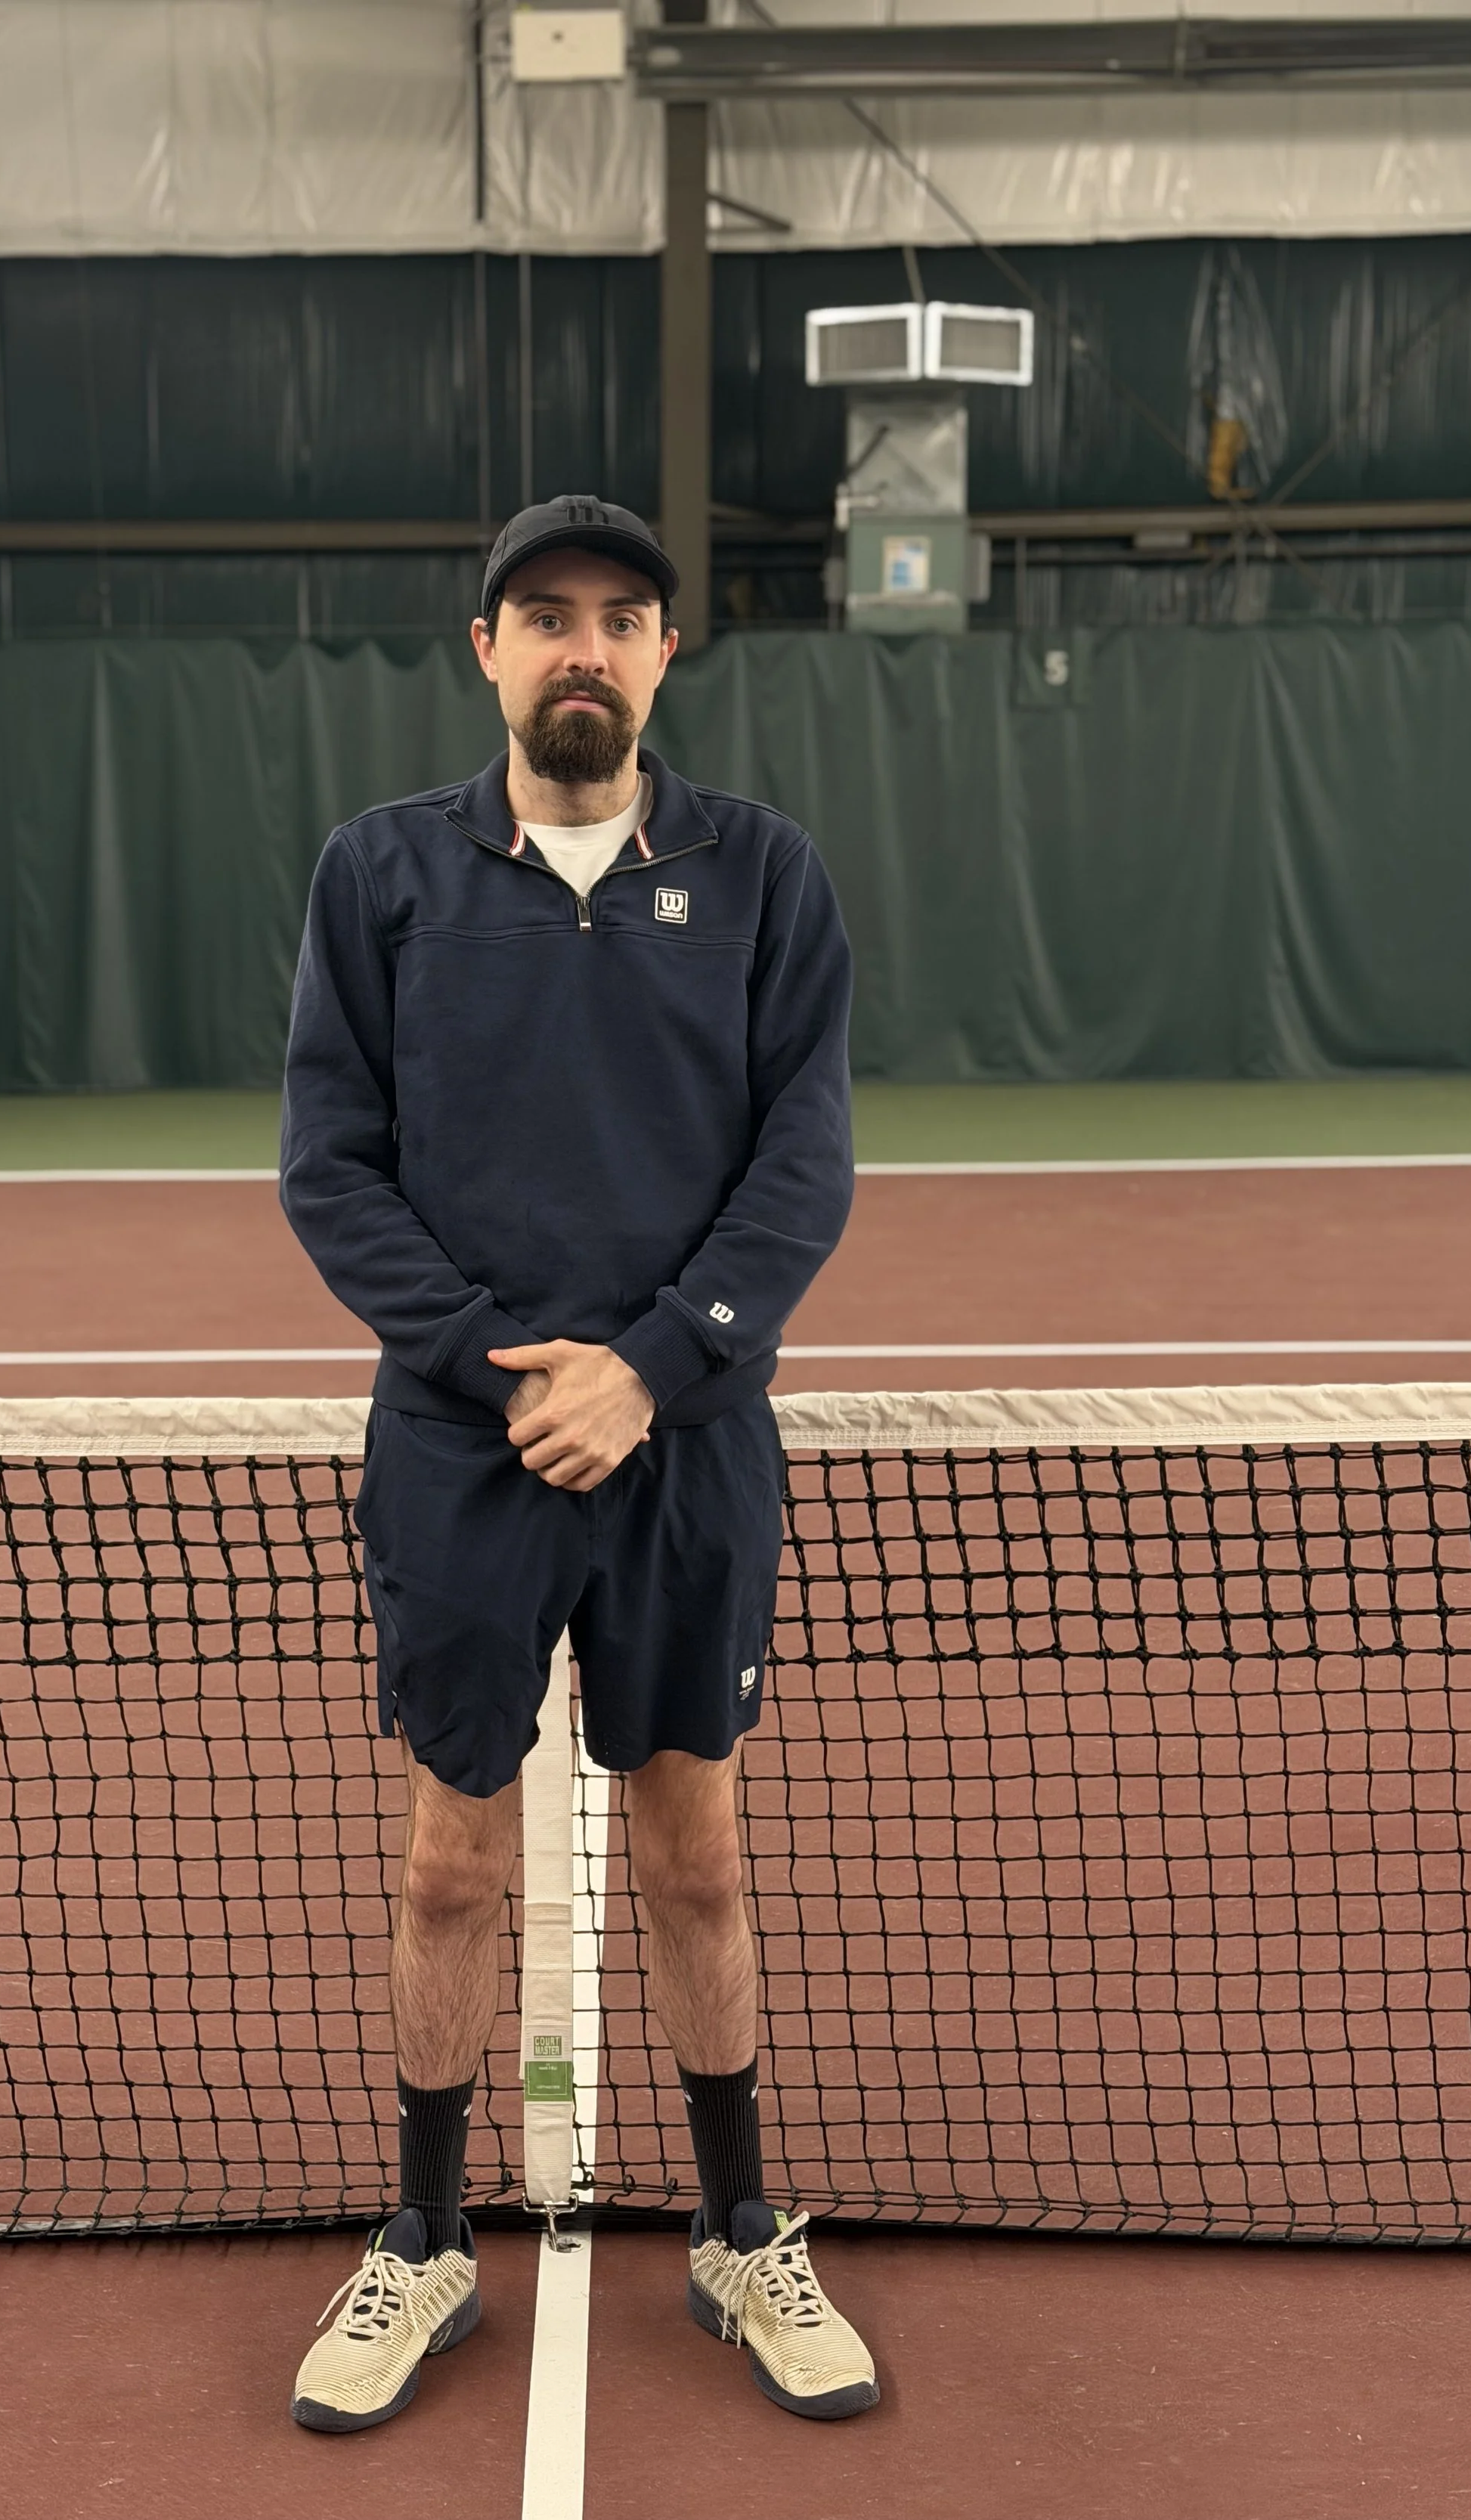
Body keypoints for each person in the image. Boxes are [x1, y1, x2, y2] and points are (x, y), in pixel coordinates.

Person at [278, 492, 872, 2431]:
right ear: (487, 651)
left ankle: (739, 2227)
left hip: (686, 1451)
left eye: (620, 616)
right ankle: (423, 2236)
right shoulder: (379, 875)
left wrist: (650, 1369)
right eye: (544, 615)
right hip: (461, 1456)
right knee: (450, 1868)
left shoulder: (763, 874)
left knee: (696, 1856)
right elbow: (328, 1167)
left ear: (664, 653)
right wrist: (499, 1369)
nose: (582, 647)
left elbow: (802, 1165)